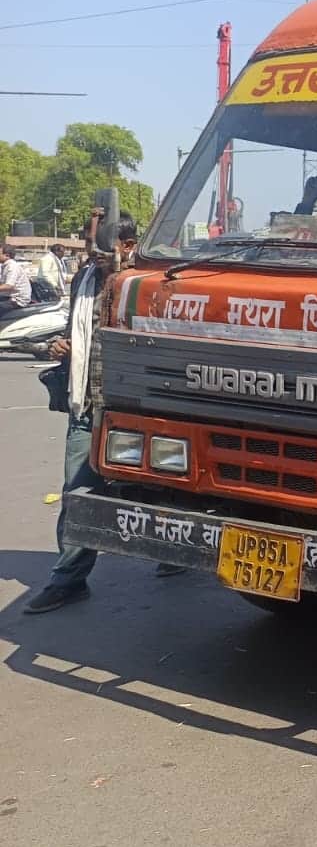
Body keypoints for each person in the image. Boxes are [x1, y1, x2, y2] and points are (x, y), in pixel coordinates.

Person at [25, 212, 182, 614]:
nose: (91, 251)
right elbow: (76, 330)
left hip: (139, 410)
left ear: (128, 245)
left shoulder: (151, 283)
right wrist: (61, 346)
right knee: (78, 492)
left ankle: (175, 552)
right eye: (88, 241)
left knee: (157, 488)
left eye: (99, 243)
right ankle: (69, 578)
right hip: (88, 402)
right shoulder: (84, 279)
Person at [0, 242, 34, 319]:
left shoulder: (12, 266)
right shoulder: (5, 265)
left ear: (7, 255)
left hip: (17, 299)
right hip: (9, 296)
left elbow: (9, 286)